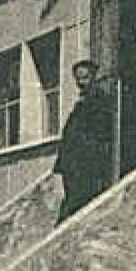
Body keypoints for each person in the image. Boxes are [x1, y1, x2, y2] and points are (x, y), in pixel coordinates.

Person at [54, 59, 117, 223]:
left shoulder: (99, 100)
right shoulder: (82, 102)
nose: (81, 83)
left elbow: (100, 132)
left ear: (94, 77)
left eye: (85, 78)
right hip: (73, 166)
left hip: (86, 165)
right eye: (78, 79)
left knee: (78, 207)